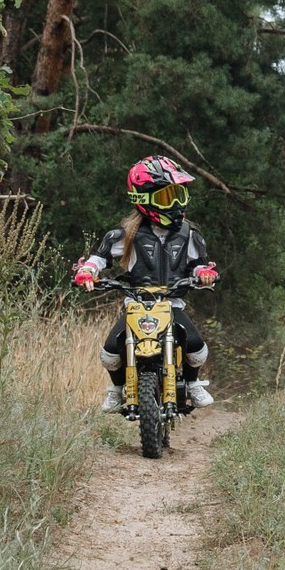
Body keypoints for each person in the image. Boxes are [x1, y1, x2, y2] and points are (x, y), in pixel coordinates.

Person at [72, 155, 219, 411]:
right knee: (109, 352)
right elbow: (98, 259)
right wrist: (87, 272)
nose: (174, 203)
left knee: (196, 347)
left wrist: (205, 274)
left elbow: (200, 265)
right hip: (136, 304)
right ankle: (117, 390)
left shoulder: (189, 236)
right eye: (165, 197)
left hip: (171, 304)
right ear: (143, 200)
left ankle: (193, 384)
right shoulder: (124, 236)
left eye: (178, 194)